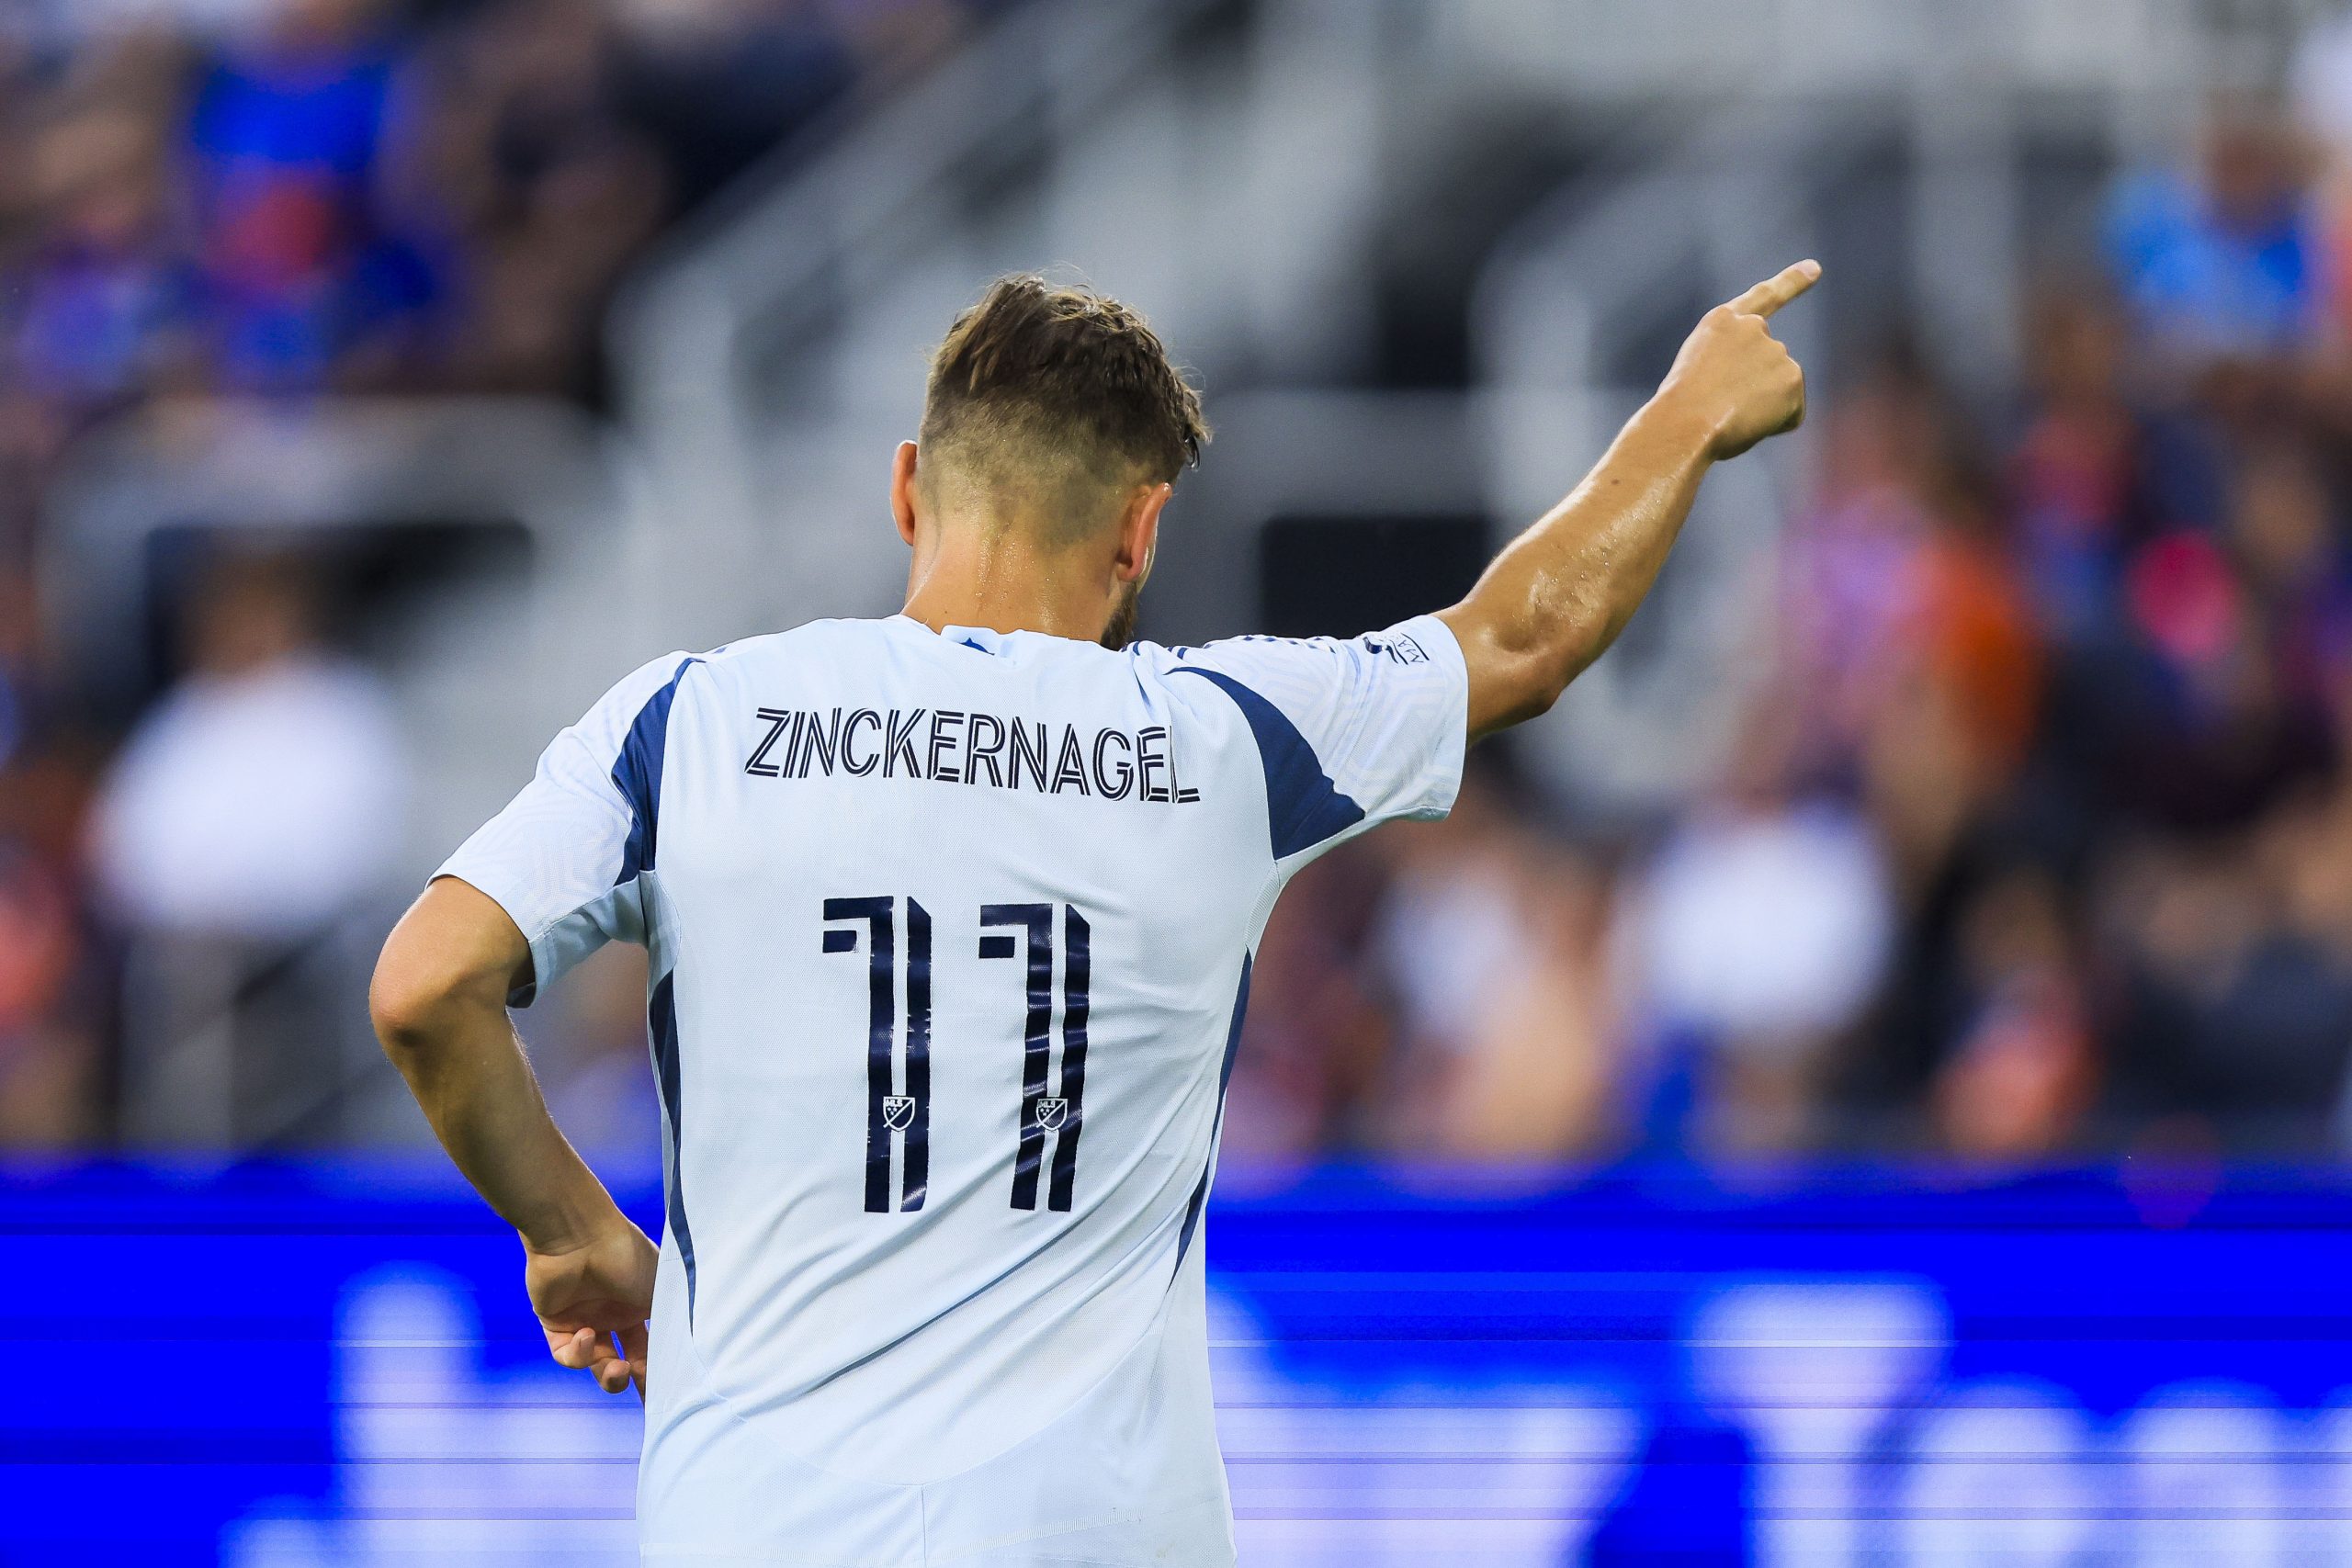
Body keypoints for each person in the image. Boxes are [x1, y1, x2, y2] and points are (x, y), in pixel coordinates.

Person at [368, 261, 1816, 1565]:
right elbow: (1524, 637)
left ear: (904, 491)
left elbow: (428, 987)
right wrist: (1687, 412)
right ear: (1141, 532)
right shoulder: (1225, 743)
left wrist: (570, 1234)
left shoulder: (692, 723)